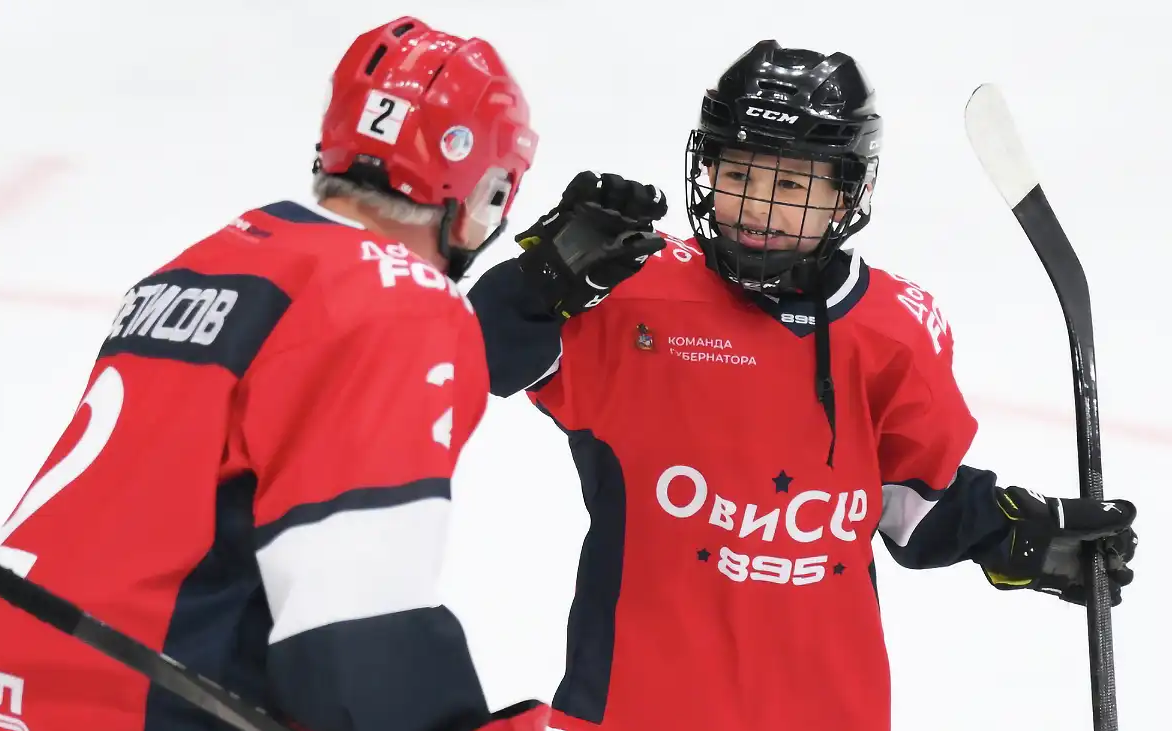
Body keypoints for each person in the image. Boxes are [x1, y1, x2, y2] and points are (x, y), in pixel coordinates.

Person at [467, 40, 1139, 731]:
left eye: (790, 186)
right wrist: (541, 278)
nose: (758, 207)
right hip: (635, 710)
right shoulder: (636, 290)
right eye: (739, 177)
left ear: (845, 193)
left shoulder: (893, 333)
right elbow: (471, 354)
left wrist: (1019, 533)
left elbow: (913, 506)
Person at [0, 16, 549, 731]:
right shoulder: (404, 302)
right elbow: (350, 631)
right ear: (483, 191)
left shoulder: (211, 256)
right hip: (132, 706)